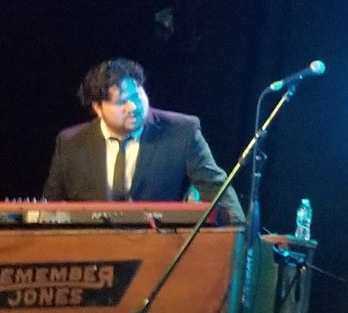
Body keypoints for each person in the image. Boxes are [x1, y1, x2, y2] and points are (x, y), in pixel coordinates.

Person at [43, 58, 245, 223]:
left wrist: (241, 238)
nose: (132, 107)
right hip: (90, 248)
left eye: (137, 96)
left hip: (160, 247)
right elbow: (51, 206)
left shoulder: (182, 132)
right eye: (121, 102)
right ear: (97, 107)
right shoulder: (71, 142)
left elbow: (216, 188)